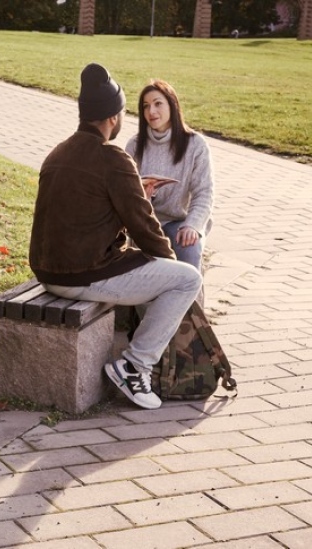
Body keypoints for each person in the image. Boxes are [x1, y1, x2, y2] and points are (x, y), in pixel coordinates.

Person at [28, 63, 202, 410]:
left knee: (159, 275)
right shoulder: (113, 157)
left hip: (47, 272)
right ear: (112, 118)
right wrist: (167, 259)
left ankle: (144, 355)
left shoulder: (58, 152)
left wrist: (133, 189)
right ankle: (135, 366)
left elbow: (85, 205)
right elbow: (144, 226)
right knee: (186, 280)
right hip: (81, 274)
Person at [125, 79, 214, 274]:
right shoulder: (134, 144)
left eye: (158, 104)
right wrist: (144, 198)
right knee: (141, 266)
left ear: (172, 105)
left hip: (180, 222)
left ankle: (190, 304)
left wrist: (192, 225)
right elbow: (125, 194)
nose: (151, 112)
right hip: (146, 222)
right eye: (146, 106)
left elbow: (204, 192)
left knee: (189, 251)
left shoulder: (195, 144)